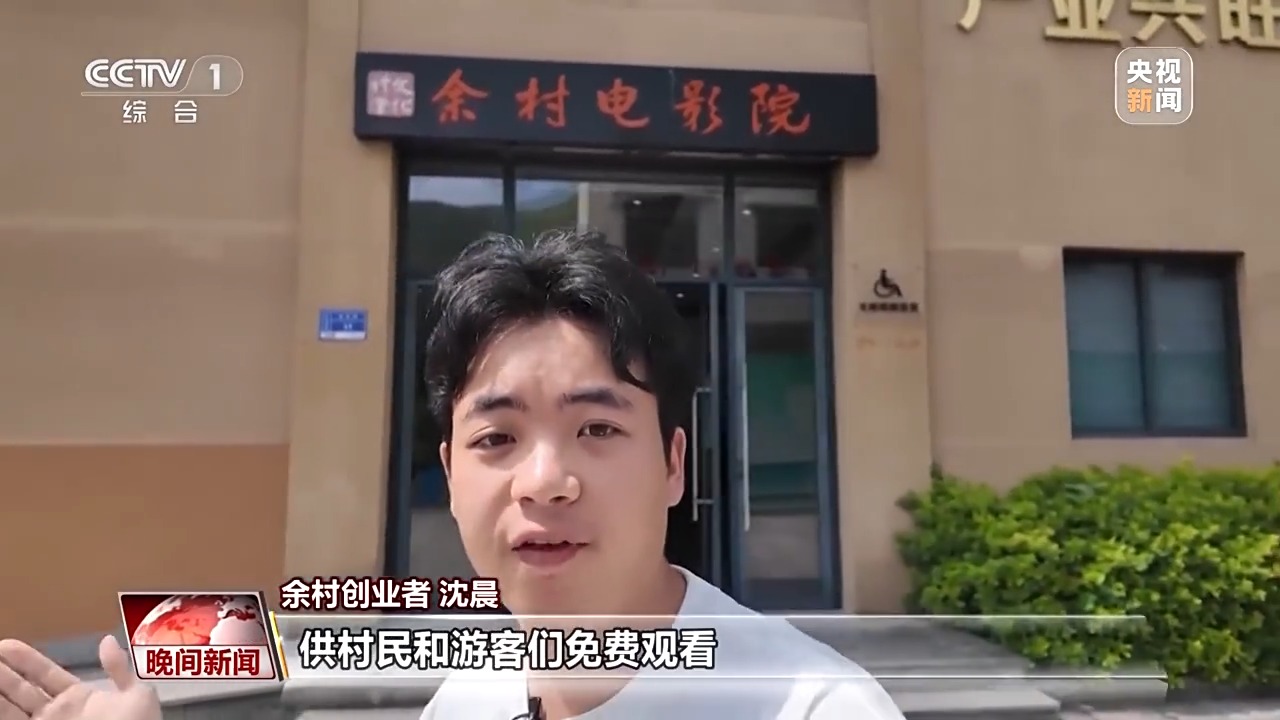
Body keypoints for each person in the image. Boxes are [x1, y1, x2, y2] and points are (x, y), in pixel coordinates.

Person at [0, 230, 906, 720]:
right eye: (497, 438)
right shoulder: (473, 692)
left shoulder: (818, 708)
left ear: (673, 464)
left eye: (596, 428)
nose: (544, 482)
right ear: (449, 472)